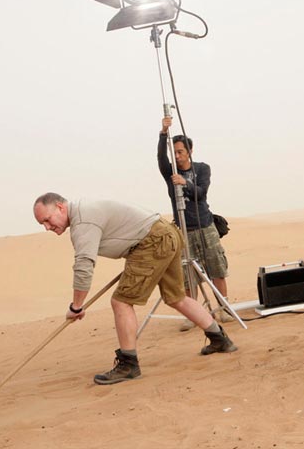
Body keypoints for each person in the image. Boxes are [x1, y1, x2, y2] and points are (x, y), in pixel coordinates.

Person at [33, 192, 237, 385]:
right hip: (165, 234)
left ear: (60, 207)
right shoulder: (84, 211)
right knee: (176, 297)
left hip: (153, 241)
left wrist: (76, 306)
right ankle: (220, 339)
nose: (47, 227)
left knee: (121, 301)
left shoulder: (82, 221)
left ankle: (128, 364)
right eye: (42, 223)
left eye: (47, 220)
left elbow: (84, 266)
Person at [159, 117, 230, 310]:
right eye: (174, 153)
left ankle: (224, 308)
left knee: (216, 268)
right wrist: (163, 132)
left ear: (190, 151)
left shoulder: (202, 168)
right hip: (184, 230)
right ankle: (195, 313)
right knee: (187, 276)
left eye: (180, 152)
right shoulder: (170, 172)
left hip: (205, 226)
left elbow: (201, 193)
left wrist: (185, 183)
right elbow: (161, 157)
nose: (177, 156)